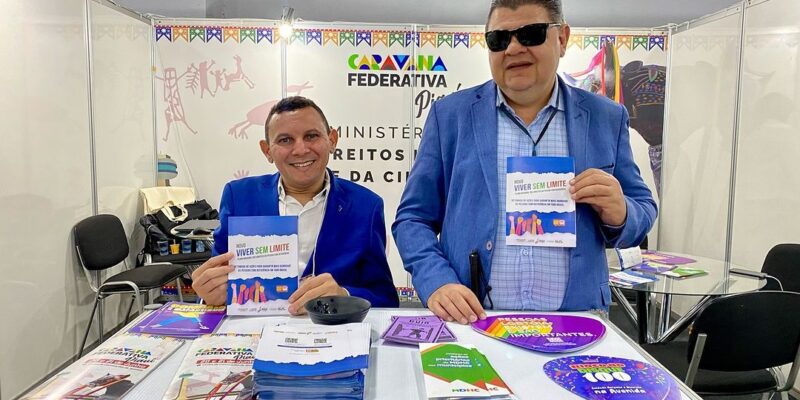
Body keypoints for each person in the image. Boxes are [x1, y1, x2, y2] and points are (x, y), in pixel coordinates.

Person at [392, 0, 657, 324]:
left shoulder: (606, 118)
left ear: (562, 38)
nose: (513, 48)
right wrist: (436, 281)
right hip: (473, 322)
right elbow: (412, 219)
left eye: (530, 34)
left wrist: (622, 213)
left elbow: (643, 207)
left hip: (578, 324)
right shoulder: (450, 116)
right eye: (499, 39)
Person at [192, 96, 399, 313]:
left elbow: (384, 297)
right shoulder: (239, 197)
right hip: (257, 333)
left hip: (332, 334)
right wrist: (209, 296)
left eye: (311, 136)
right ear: (267, 150)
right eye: (285, 140)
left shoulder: (365, 206)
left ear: (332, 140)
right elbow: (218, 279)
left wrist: (343, 296)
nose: (300, 149)